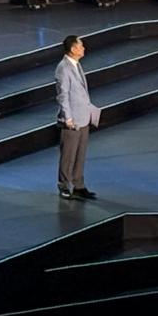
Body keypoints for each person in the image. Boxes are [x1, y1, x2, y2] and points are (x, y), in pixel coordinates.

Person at [55, 35, 100, 200]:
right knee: (68, 155)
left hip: (83, 117)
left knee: (80, 154)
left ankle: (78, 185)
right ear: (73, 49)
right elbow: (63, 95)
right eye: (81, 46)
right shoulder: (63, 68)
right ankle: (64, 185)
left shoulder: (76, 64)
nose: (83, 48)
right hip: (72, 120)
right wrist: (67, 118)